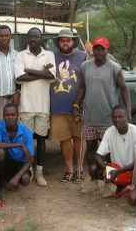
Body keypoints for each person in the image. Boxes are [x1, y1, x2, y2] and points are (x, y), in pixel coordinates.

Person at [73, 37, 132, 195]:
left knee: (109, 152)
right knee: (91, 150)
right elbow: (82, 87)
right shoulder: (85, 66)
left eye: (102, 49)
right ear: (93, 49)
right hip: (90, 118)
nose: (99, 52)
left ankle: (109, 182)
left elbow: (124, 89)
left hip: (109, 119)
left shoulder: (114, 68)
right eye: (96, 48)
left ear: (107, 50)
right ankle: (93, 181)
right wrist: (76, 105)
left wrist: (128, 111)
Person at [15, 27, 56, 187]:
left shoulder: (49, 54)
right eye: (30, 37)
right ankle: (28, 170)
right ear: (27, 39)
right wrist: (42, 72)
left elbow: (51, 75)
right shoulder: (21, 55)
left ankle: (39, 171)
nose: (33, 39)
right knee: (26, 141)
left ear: (40, 38)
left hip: (42, 106)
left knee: (41, 139)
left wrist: (30, 70)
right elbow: (19, 77)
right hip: (26, 106)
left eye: (36, 37)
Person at [49, 29, 89, 185]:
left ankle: (80, 170)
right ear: (58, 43)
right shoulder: (51, 57)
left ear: (73, 42)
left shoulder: (84, 56)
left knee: (79, 138)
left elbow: (104, 61)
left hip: (78, 107)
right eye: (62, 40)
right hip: (57, 108)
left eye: (68, 40)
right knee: (64, 140)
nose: (65, 43)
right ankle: (70, 170)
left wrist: (91, 51)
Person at [92, 105, 136, 199]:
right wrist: (107, 169)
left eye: (120, 117)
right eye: (114, 117)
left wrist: (118, 171)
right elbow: (97, 155)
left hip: (132, 171)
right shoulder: (110, 131)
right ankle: (116, 185)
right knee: (93, 168)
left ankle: (129, 188)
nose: (117, 120)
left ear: (127, 117)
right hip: (116, 171)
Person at [0, 103, 34, 200]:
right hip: (5, 162)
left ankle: (13, 179)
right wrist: (20, 144)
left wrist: (17, 177)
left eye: (13, 115)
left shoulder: (26, 132)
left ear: (18, 116)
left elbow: (31, 159)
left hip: (20, 163)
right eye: (7, 115)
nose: (10, 117)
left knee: (25, 180)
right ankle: (2, 186)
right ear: (3, 116)